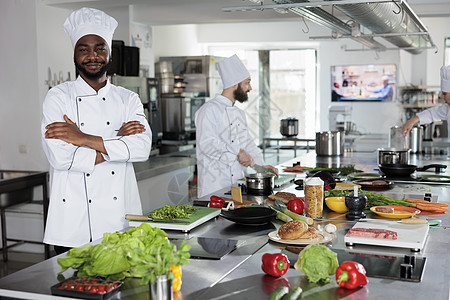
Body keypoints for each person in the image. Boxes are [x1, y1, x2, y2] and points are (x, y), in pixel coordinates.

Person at [41, 8, 152, 254]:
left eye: (100, 48)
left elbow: (142, 148)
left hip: (120, 217)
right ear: (74, 54)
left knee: (124, 288)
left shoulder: (128, 98)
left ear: (109, 53)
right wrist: (117, 145)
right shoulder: (57, 97)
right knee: (74, 288)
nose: (93, 56)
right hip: (73, 222)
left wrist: (82, 138)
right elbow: (60, 157)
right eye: (84, 49)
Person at [195, 55, 278, 198]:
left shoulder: (239, 113)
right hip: (214, 188)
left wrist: (261, 167)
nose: (250, 88)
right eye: (247, 83)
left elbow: (247, 144)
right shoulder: (208, 110)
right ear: (234, 84)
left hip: (236, 186)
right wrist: (238, 152)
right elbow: (207, 144)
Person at [402, 65, 450, 137]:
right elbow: (433, 113)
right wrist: (412, 121)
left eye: (444, 93)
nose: (441, 96)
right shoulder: (448, 109)